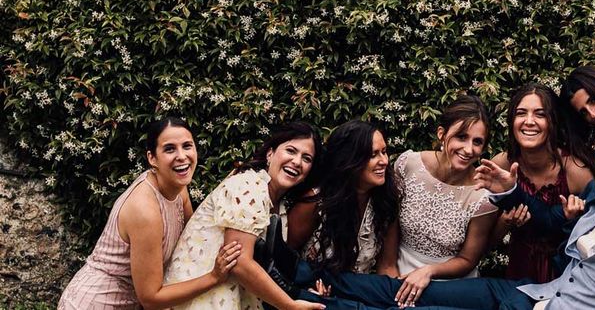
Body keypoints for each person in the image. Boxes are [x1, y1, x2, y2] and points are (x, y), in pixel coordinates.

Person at [323, 137, 595, 310]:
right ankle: (308, 280)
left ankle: (316, 306)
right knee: (415, 291)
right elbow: (546, 220)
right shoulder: (593, 198)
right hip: (526, 294)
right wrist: (510, 190)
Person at [59, 117, 242, 310]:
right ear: (152, 158)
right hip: (93, 303)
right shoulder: (145, 210)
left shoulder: (179, 188)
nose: (181, 156)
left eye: (187, 146)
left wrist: (230, 195)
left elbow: (194, 237)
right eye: (169, 149)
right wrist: (213, 277)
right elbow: (151, 298)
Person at [163, 121, 327, 310]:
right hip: (202, 299)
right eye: (291, 151)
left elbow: (269, 269)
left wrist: (304, 293)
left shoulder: (278, 205)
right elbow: (240, 264)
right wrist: (289, 305)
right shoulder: (249, 186)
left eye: (306, 158)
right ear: (270, 153)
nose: (297, 162)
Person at [376, 95, 498, 306]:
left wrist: (428, 272)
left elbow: (468, 260)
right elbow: (391, 220)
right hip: (398, 270)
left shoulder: (483, 196)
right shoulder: (408, 164)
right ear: (442, 134)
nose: (469, 149)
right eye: (461, 137)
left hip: (450, 286)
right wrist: (388, 268)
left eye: (477, 142)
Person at [489, 84, 592, 282]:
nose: (529, 122)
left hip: (566, 275)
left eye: (540, 114)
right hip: (518, 271)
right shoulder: (501, 165)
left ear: (554, 121)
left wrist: (573, 220)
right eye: (521, 113)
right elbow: (485, 243)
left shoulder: (575, 171)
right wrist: (505, 222)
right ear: (512, 120)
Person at [287, 120, 399, 275]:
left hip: (361, 292)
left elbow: (387, 266)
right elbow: (284, 257)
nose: (384, 161)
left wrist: (395, 297)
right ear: (350, 160)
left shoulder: (386, 201)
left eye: (384, 151)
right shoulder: (316, 202)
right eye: (373, 155)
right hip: (313, 292)